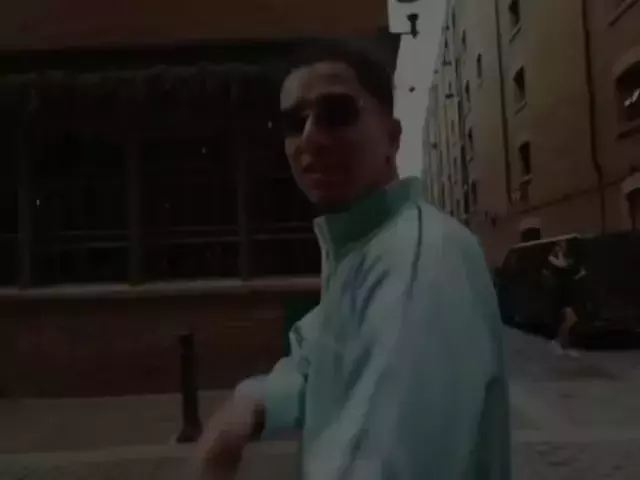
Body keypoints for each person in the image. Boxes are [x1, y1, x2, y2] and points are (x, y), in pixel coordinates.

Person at [193, 40, 511, 480]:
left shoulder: (418, 262)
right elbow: (324, 351)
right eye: (294, 122)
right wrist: (251, 403)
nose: (310, 137)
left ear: (392, 138)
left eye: (336, 114)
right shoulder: (366, 245)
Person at [547, 239, 586, 357]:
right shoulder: (552, 258)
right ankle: (558, 343)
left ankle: (563, 344)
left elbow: (575, 272)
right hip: (559, 292)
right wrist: (560, 254)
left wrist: (579, 274)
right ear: (556, 246)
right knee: (565, 318)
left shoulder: (567, 258)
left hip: (568, 292)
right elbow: (562, 265)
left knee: (570, 319)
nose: (563, 246)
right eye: (561, 244)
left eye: (564, 244)